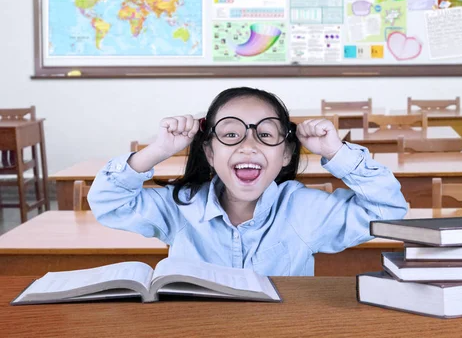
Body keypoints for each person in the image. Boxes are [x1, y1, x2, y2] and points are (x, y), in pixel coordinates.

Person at [88, 87, 408, 276]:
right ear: (210, 153)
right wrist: (158, 150)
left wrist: (336, 152)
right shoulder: (181, 206)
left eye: (265, 134)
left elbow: (388, 211)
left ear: (285, 154)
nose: (248, 145)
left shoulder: (304, 209)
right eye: (230, 134)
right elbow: (108, 202)